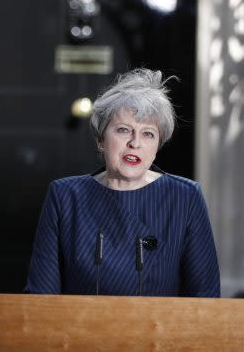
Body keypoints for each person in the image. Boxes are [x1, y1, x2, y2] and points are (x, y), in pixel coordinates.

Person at [25, 68, 220, 297]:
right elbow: (40, 297)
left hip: (161, 332)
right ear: (101, 139)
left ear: (157, 146)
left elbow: (206, 299)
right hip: (79, 332)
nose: (135, 142)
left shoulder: (185, 197)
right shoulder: (65, 197)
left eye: (148, 134)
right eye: (123, 130)